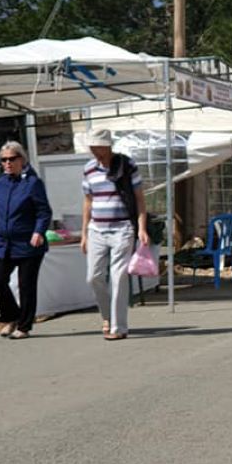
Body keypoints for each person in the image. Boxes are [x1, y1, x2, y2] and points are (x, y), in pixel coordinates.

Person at [0, 141, 51, 340]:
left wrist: (38, 232)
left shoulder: (32, 183)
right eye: (4, 160)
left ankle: (24, 327)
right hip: (4, 243)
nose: (7, 163)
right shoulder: (1, 182)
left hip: (28, 243)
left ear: (21, 160)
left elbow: (44, 211)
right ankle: (11, 317)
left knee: (26, 286)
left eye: (11, 159)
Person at [81, 129, 149, 341]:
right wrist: (83, 233)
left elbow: (139, 198)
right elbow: (88, 201)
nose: (94, 151)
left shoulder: (127, 166)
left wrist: (142, 228)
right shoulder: (89, 169)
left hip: (122, 228)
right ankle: (107, 317)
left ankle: (119, 327)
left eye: (98, 147)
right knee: (93, 277)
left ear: (108, 146)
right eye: (92, 147)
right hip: (96, 229)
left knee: (119, 276)